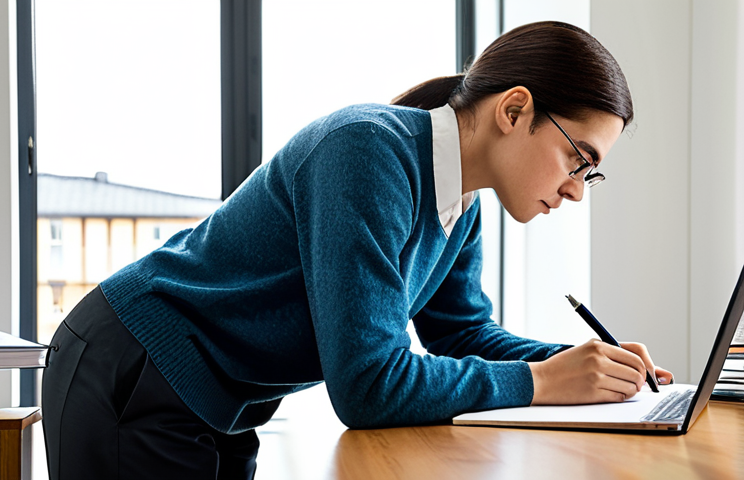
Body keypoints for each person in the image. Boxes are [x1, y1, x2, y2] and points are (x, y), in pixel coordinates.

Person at [42, 21, 673, 480]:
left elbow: (465, 334)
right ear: (515, 109)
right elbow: (368, 385)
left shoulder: (462, 204)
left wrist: (585, 365)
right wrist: (541, 382)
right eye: (577, 159)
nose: (575, 191)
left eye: (591, 174)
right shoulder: (368, 153)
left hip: (214, 399)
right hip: (133, 368)